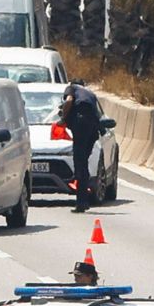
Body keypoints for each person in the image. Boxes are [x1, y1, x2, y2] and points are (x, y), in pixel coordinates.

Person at [59, 79, 102, 213]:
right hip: (92, 129)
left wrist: (63, 118)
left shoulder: (72, 89)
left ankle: (81, 202)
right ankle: (84, 198)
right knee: (83, 163)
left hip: (81, 124)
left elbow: (69, 101)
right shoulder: (90, 94)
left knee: (79, 163)